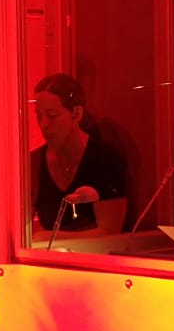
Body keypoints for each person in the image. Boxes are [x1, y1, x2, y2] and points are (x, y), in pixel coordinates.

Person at [29, 73, 127, 241]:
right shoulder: (34, 162)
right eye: (39, 116)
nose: (44, 124)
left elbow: (110, 232)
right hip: (49, 261)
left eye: (52, 115)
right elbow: (21, 226)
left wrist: (48, 238)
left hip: (98, 260)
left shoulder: (104, 158)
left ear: (76, 113)